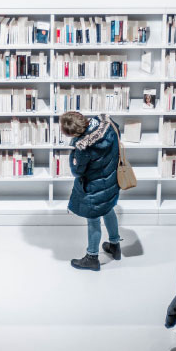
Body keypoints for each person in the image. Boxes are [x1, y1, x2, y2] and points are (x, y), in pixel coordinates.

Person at [60, 111, 121, 271]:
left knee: (93, 219)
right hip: (111, 180)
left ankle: (92, 257)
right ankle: (115, 245)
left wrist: (73, 153)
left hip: (94, 187)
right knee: (108, 209)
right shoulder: (108, 125)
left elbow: (77, 171)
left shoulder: (82, 148)